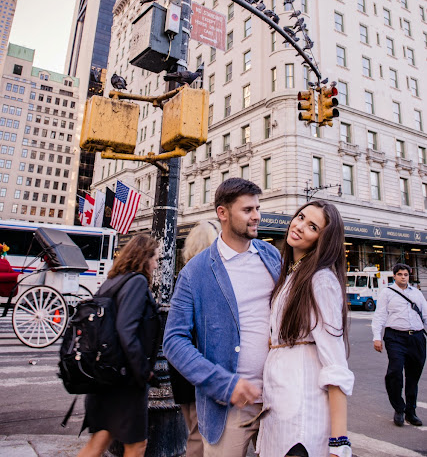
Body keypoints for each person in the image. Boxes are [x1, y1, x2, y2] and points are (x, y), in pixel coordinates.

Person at [163, 178, 281, 457]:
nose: (257, 216)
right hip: (228, 407)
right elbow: (173, 341)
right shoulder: (195, 272)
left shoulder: (272, 256)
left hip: (279, 397)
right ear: (223, 213)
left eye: (258, 208)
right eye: (248, 210)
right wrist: (224, 384)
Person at [257, 200, 354, 457]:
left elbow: (335, 364)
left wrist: (339, 442)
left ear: (323, 240)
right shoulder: (291, 275)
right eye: (300, 217)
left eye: (312, 226)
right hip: (279, 408)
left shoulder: (320, 280)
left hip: (302, 417)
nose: (299, 226)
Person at [78, 234, 161, 457]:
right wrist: (143, 372)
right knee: (136, 445)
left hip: (105, 377)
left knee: (99, 442)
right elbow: (126, 330)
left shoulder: (112, 281)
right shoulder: (136, 282)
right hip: (125, 381)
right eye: (155, 258)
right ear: (145, 258)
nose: (156, 264)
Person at [170, 219, 220, 457]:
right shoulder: (205, 278)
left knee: (195, 430)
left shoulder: (182, 275)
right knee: (202, 435)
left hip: (182, 370)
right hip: (202, 366)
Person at [372, 262, 427, 427]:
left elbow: (425, 315)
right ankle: (399, 408)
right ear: (394, 276)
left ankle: (411, 412)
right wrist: (376, 337)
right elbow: (380, 314)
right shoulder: (387, 293)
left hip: (417, 338)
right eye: (400, 274)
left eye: (406, 274)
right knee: (394, 372)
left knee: (413, 377)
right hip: (395, 337)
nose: (403, 277)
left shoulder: (417, 293)